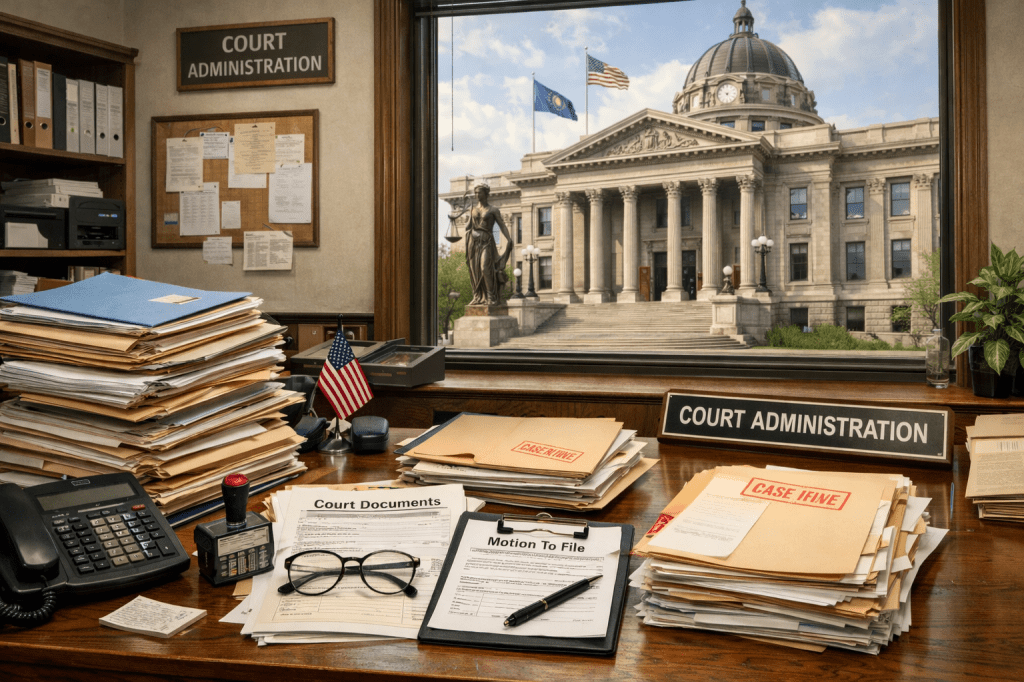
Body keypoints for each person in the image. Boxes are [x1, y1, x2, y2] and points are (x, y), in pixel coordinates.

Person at [460, 184, 512, 306]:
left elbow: (502, 225)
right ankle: (477, 296)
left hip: (486, 241)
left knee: (484, 268)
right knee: (474, 270)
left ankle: (491, 297)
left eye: (480, 193)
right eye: (476, 193)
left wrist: (509, 239)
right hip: (473, 242)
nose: (477, 195)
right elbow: (468, 227)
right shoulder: (473, 209)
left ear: (486, 194)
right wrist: (465, 212)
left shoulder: (493, 210)